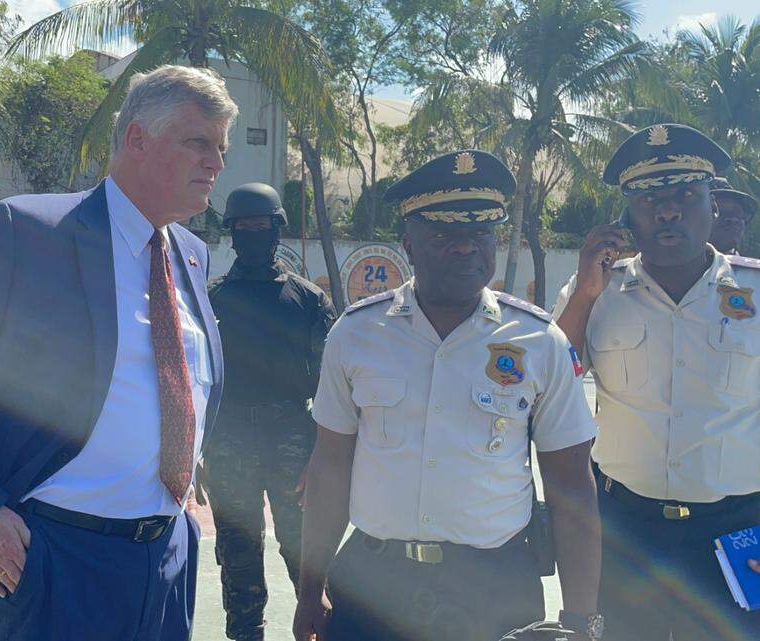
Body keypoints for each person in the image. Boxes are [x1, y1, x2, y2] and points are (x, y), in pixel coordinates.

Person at [0, 64, 232, 641]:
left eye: (220, 147)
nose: (216, 163)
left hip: (166, 555)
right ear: (137, 139)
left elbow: (173, 381)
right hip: (53, 556)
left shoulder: (191, 253)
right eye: (198, 142)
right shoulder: (32, 231)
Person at [295, 150, 602, 641]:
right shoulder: (355, 334)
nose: (466, 248)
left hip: (494, 589)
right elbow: (331, 467)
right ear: (408, 245)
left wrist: (582, 620)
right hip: (374, 584)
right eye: (445, 234)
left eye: (480, 232)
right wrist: (310, 588)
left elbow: (572, 489)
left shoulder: (540, 342)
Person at [553, 123, 760, 641]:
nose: (667, 211)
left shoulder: (755, 291)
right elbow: (549, 383)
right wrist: (584, 295)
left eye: (686, 195)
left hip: (735, 531)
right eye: (649, 200)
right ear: (628, 218)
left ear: (713, 206)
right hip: (628, 527)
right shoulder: (596, 290)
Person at [203, 182, 335, 641]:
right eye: (245, 227)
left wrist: (320, 452)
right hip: (228, 436)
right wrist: (198, 448)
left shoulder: (309, 301)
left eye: (263, 226)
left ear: (277, 229)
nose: (254, 234)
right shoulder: (211, 299)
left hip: (292, 436)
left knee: (303, 554)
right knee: (238, 553)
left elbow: (332, 386)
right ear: (232, 233)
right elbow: (197, 380)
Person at [709, 177, 758, 256]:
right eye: (722, 212)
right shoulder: (683, 265)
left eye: (738, 214)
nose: (733, 220)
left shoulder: (748, 267)